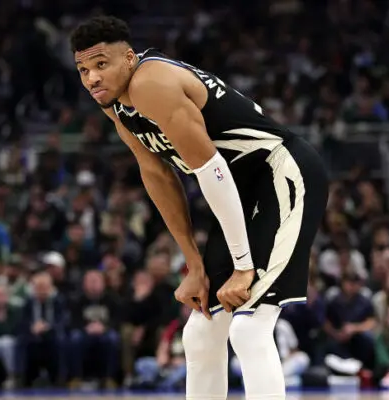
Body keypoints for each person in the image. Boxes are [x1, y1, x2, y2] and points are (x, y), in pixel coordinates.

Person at [69, 16, 329, 399]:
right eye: (83, 70)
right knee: (202, 330)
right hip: (240, 192)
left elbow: (212, 168)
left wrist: (242, 267)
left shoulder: (150, 83)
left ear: (128, 58)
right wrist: (194, 266)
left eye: (101, 64)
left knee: (249, 327)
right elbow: (157, 174)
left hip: (281, 172)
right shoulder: (116, 104)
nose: (92, 78)